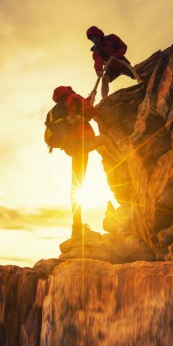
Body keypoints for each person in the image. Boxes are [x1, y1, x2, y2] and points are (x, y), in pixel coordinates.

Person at [52, 86, 120, 236]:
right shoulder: (74, 98)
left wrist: (89, 99)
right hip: (81, 142)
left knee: (76, 185)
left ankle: (76, 228)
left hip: (72, 147)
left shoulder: (63, 105)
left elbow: (81, 111)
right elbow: (92, 112)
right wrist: (89, 103)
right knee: (104, 140)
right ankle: (122, 161)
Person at [86, 26, 138, 100]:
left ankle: (143, 83)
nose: (94, 39)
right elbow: (98, 60)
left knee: (136, 74)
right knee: (104, 80)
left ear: (98, 34)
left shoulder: (112, 38)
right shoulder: (96, 49)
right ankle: (104, 100)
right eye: (92, 39)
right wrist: (98, 70)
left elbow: (123, 47)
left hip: (122, 63)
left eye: (94, 36)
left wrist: (116, 55)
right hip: (111, 69)